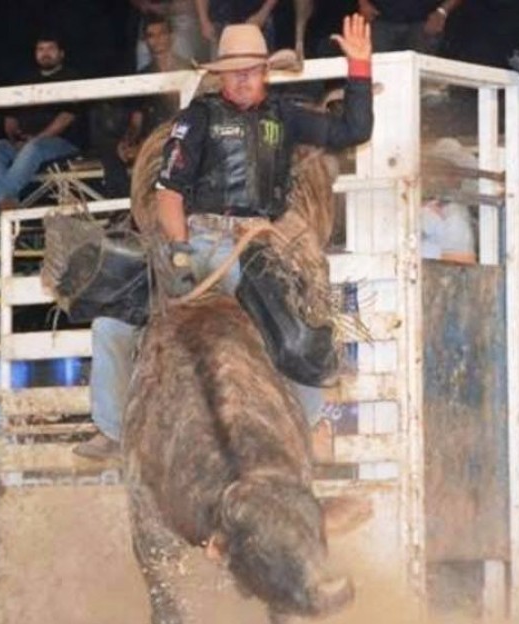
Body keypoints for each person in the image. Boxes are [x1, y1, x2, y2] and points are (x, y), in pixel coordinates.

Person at [74, 14, 374, 459]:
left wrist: (360, 69)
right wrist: (176, 253)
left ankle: (309, 424)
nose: (243, 80)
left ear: (265, 73)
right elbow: (170, 193)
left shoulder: (285, 117)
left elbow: (354, 130)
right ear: (221, 76)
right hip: (195, 238)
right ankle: (113, 427)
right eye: (235, 72)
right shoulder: (196, 120)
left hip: (256, 242)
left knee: (293, 331)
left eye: (251, 71)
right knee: (110, 321)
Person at [0, 35, 81, 220]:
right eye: (40, 49)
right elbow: (11, 118)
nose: (45, 54)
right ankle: (7, 199)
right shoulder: (24, 79)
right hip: (25, 144)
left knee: (33, 147)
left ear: (61, 54)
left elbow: (66, 117)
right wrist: (16, 140)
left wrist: (35, 140)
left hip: (61, 144)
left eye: (50, 49)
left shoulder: (71, 77)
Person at [96, 15, 188, 199]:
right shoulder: (142, 76)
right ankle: (122, 207)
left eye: (162, 34)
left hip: (181, 135)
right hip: (150, 138)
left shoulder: (187, 69)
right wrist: (129, 141)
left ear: (171, 36)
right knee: (112, 148)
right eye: (151, 36)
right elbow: (136, 120)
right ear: (146, 41)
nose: (157, 40)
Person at [421, 137, 476, 264]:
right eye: (433, 170)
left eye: (443, 171)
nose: (433, 177)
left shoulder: (455, 216)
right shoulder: (427, 207)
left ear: (457, 178)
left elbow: (457, 269)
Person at [358, 0, 463, 54]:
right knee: (378, 75)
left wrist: (442, 12)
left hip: (425, 24)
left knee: (422, 81)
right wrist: (363, 3)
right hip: (381, 20)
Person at [194, 0, 279, 54]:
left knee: (258, 70)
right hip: (220, 22)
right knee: (222, 73)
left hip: (256, 20)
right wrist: (204, 20)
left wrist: (263, 14)